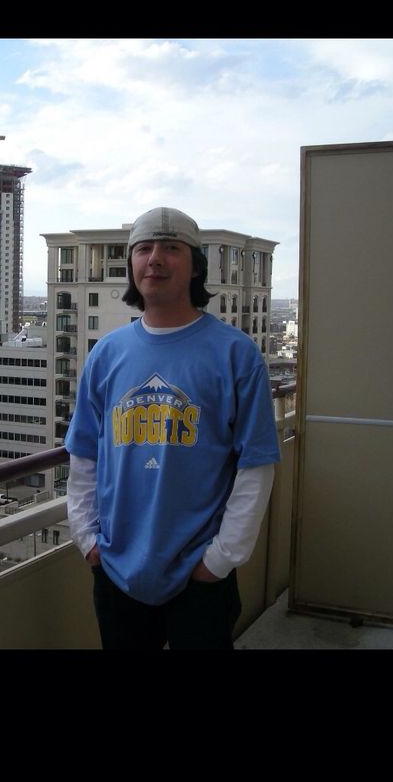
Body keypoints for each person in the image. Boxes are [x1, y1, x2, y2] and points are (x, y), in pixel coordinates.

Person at [65, 206, 280, 650]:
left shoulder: (236, 354)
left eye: (171, 248)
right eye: (143, 248)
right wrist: (87, 539)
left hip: (200, 574)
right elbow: (84, 454)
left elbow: (256, 464)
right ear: (131, 263)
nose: (155, 259)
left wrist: (220, 559)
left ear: (196, 266)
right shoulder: (107, 354)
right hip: (116, 568)